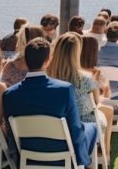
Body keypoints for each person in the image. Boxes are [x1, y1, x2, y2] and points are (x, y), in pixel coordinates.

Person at [3, 38, 97, 168]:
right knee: (92, 127)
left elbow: (11, 133)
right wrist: (80, 158)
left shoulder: (9, 94)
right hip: (63, 155)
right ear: (48, 60)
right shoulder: (64, 89)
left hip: (28, 155)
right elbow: (75, 128)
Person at [47, 33, 113, 162]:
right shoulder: (86, 78)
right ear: (76, 54)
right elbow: (96, 102)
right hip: (82, 124)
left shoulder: (47, 76)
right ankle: (105, 155)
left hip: (53, 125)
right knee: (105, 112)